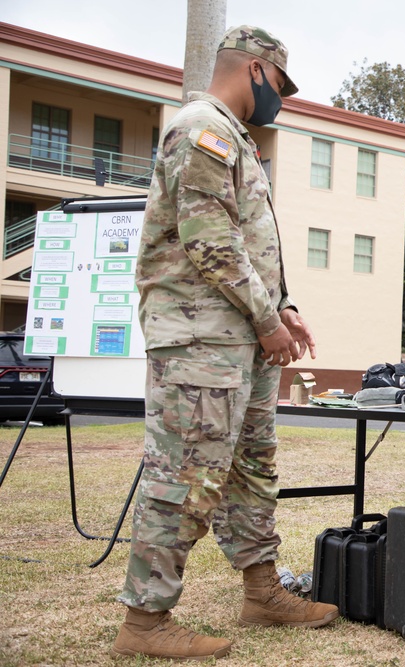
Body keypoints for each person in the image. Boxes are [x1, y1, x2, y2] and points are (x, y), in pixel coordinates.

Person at [112, 26, 338, 661]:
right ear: (258, 71)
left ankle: (262, 591)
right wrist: (267, 321)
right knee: (185, 475)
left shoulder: (236, 140)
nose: (282, 100)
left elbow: (252, 244)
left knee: (252, 467)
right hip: (201, 339)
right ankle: (146, 621)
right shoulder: (201, 129)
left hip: (241, 339)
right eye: (281, 87)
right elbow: (210, 240)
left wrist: (283, 310)